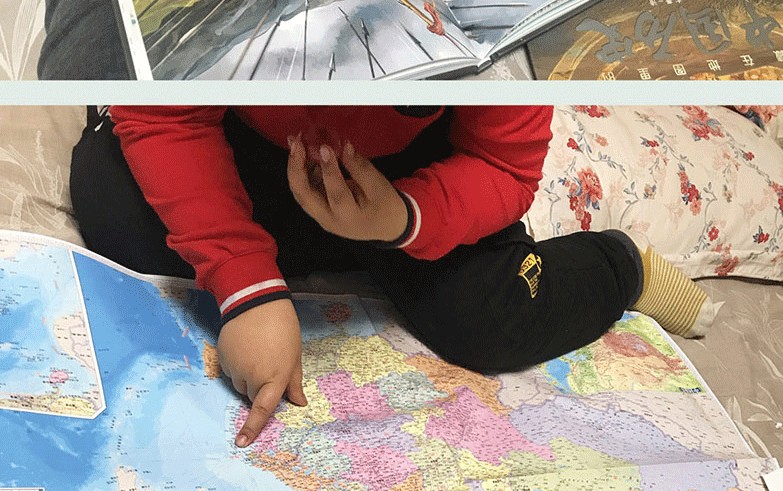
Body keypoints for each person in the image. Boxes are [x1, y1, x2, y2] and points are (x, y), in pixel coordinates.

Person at [69, 105, 713, 448]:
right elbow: (165, 116)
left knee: (493, 319)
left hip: (409, 174)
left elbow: (503, 164)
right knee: (115, 208)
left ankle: (620, 265)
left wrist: (402, 217)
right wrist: (245, 285)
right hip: (247, 139)